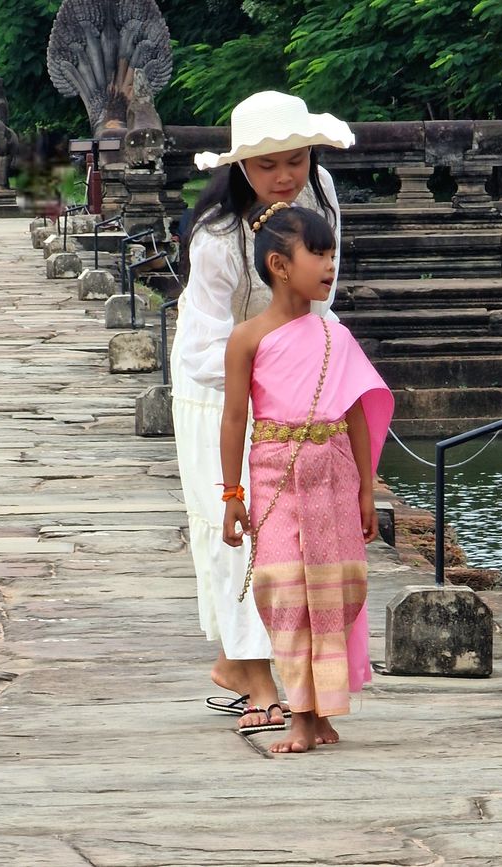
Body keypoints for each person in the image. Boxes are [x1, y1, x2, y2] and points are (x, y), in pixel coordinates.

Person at [170, 91, 355, 737]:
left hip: (292, 389)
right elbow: (199, 347)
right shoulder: (219, 236)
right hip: (219, 390)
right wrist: (266, 364)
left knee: (290, 536)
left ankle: (238, 662)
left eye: (297, 160)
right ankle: (253, 674)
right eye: (269, 164)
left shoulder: (321, 194)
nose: (286, 176)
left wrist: (321, 382)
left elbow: (321, 296)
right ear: (241, 166)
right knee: (237, 531)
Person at [220, 203, 394, 752]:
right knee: (285, 592)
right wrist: (231, 494)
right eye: (317, 253)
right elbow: (234, 419)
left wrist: (367, 488)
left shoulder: (333, 337)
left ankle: (320, 713)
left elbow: (354, 415)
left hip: (333, 477)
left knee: (333, 592)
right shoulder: (246, 338)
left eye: (331, 253)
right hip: (275, 476)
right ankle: (299, 713)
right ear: (278, 263)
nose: (329, 264)